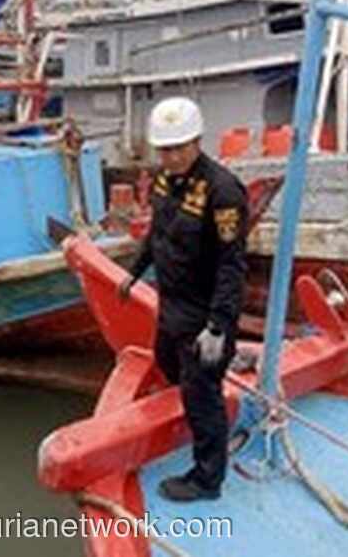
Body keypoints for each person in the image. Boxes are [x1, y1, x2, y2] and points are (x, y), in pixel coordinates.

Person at [118, 96, 248, 502]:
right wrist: (134, 272)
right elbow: (158, 232)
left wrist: (218, 327)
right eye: (165, 149)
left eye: (178, 148)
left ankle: (208, 479)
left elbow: (232, 266)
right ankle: (200, 411)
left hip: (204, 312)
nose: (171, 156)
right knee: (167, 364)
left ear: (196, 142)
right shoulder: (164, 181)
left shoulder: (223, 191)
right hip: (172, 305)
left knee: (200, 392)